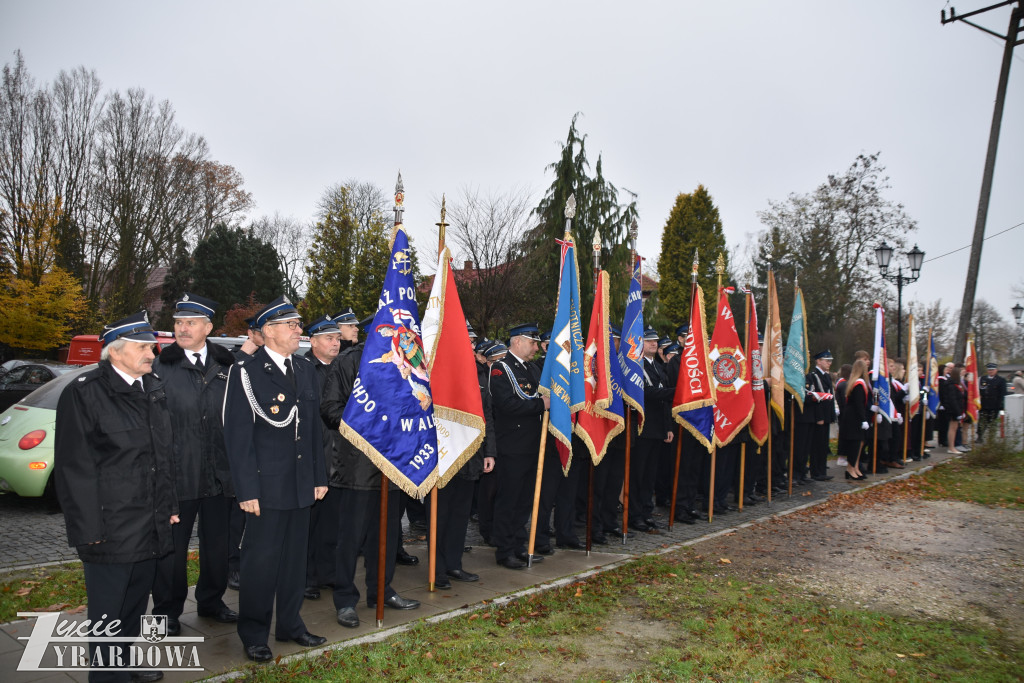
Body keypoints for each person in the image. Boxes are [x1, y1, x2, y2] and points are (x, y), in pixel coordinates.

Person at [54, 311, 178, 683]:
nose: (151, 353)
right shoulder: (85, 392)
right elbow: (74, 469)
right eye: (143, 347)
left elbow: (163, 455)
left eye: (151, 346)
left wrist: (169, 506)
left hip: (148, 521)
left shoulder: (152, 386)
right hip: (109, 528)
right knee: (108, 614)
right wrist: (87, 529)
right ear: (115, 351)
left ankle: (124, 665)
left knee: (135, 605)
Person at [223, 296, 328, 662]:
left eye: (298, 325)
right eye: (291, 325)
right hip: (266, 487)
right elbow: (238, 438)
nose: (299, 331)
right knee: (260, 564)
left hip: (300, 484)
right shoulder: (247, 372)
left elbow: (313, 429)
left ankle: (290, 625)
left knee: (294, 563)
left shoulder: (304, 370)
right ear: (268, 331)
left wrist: (319, 476)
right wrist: (247, 489)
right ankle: (254, 633)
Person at [321, 315, 421, 630]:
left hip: (393, 466)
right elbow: (330, 409)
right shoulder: (349, 363)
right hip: (357, 467)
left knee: (388, 537)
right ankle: (345, 600)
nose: (393, 336)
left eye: (396, 331)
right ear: (370, 334)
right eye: (387, 331)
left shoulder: (405, 364)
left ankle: (382, 591)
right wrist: (370, 427)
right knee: (350, 539)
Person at [152, 294, 238, 637]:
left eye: (190, 323)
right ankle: (167, 609)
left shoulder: (227, 365)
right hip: (178, 474)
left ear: (208, 327)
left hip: (220, 474)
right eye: (178, 323)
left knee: (217, 544)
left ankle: (211, 601)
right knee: (171, 548)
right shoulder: (161, 367)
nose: (182, 329)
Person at [430, 333, 497, 589]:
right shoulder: (435, 370)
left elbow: (486, 415)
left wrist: (489, 452)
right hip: (443, 455)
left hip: (470, 454)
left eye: (471, 342)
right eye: (466, 340)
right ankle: (436, 570)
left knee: (460, 513)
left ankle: (453, 564)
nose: (470, 345)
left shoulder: (478, 372)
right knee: (440, 513)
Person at [489, 323, 551, 569]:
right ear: (517, 341)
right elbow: (507, 405)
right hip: (513, 446)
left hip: (533, 443)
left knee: (525, 499)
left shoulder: (532, 369)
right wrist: (541, 405)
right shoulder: (500, 369)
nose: (536, 347)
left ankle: (518, 545)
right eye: (532, 342)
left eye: (537, 343)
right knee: (509, 499)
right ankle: (504, 551)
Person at [300, 310, 351, 601]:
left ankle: (327, 573)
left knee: (334, 520)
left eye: (336, 338)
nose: (335, 343)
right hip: (313, 455)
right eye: (329, 338)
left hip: (340, 455)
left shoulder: (342, 368)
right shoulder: (304, 369)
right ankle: (307, 576)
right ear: (313, 341)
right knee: (311, 522)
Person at [838, 359, 871, 480]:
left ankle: (855, 467)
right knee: (854, 443)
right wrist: (863, 419)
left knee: (859, 443)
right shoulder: (858, 384)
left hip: (854, 416)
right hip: (854, 417)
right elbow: (858, 404)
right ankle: (850, 468)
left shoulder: (857, 382)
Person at [978, 363, 1007, 442]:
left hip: (994, 404)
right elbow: (980, 389)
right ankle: (980, 436)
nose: (990, 371)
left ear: (996, 370)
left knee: (992, 422)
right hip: (984, 403)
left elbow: (1003, 393)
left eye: (992, 370)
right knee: (982, 421)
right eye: (989, 370)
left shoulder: (1001, 380)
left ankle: (991, 438)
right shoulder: (983, 379)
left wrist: (1001, 405)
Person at [940, 366, 965, 455]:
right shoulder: (951, 385)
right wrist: (958, 412)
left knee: (954, 428)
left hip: (956, 410)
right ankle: (951, 447)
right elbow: (953, 400)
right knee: (952, 429)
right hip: (952, 410)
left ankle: (952, 446)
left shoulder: (955, 384)